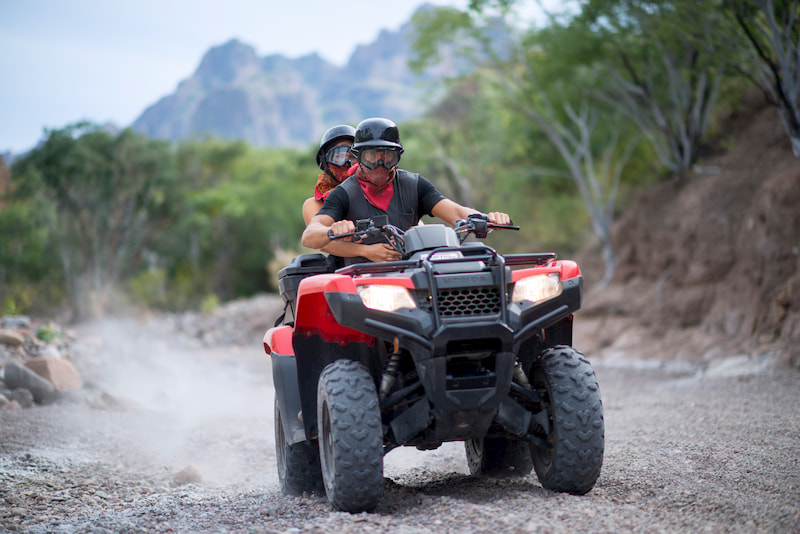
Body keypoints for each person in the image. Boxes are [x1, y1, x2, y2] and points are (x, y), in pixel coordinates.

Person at [302, 117, 511, 263]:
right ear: (359, 157)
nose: (379, 165)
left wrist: (487, 218)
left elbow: (457, 212)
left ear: (397, 157)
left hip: (413, 272)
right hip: (361, 282)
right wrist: (333, 231)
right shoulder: (343, 193)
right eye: (370, 157)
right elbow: (310, 235)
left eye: (387, 156)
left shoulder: (415, 184)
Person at [303, 124, 356, 225]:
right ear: (325, 162)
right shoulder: (314, 205)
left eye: (352, 155)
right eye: (338, 156)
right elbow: (320, 238)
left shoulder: (370, 194)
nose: (347, 162)